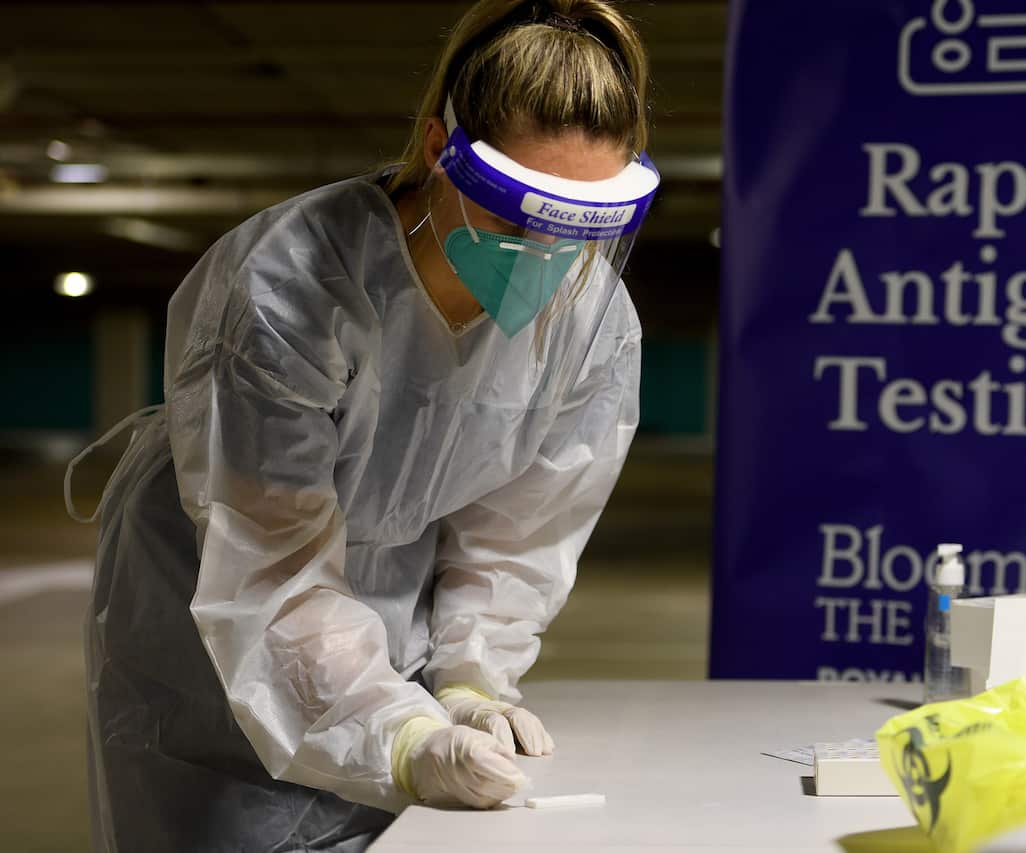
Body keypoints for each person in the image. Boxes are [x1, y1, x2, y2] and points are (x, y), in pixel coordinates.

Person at [65, 1, 659, 849]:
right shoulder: (292, 284)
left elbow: (521, 535)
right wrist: (402, 737)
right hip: (215, 594)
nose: (545, 252)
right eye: (516, 215)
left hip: (387, 609)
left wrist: (466, 677)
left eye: (575, 227)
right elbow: (273, 570)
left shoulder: (593, 320)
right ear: (436, 151)